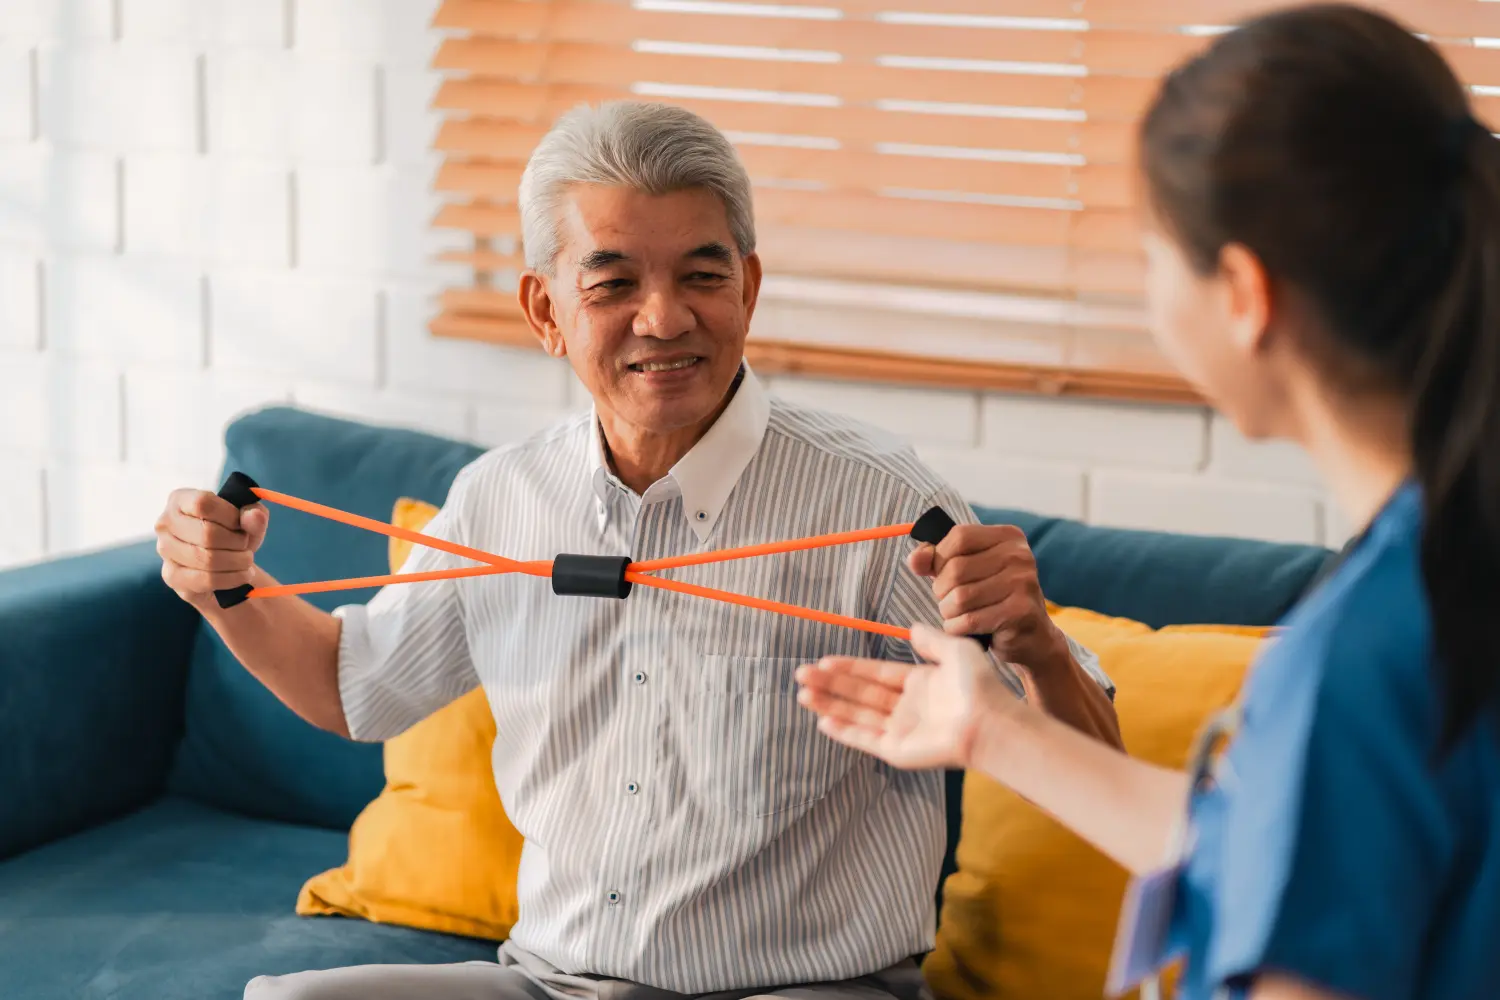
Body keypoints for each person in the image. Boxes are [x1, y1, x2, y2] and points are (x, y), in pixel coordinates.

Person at [153, 100, 1121, 1000]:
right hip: (551, 980)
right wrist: (224, 589)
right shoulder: (502, 498)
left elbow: (1098, 765)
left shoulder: (882, 501)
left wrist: (1031, 641)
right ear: (545, 311)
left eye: (702, 275)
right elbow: (348, 684)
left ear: (747, 286)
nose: (664, 318)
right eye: (614, 282)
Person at [796, 5, 1500, 999]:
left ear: (1245, 296)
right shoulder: (1447, 575)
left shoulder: (1361, 656)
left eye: (1154, 254)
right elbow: (1292, 848)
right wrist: (995, 730)